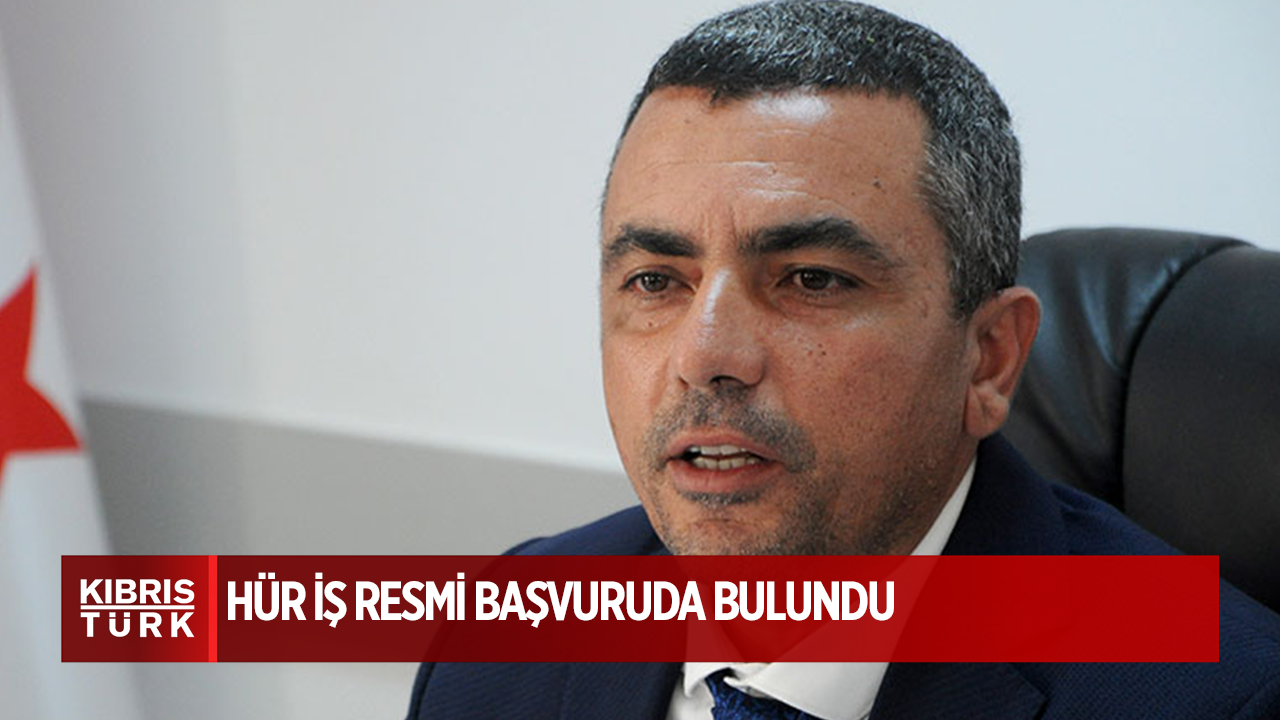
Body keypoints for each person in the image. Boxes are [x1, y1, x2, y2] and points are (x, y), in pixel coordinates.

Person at [407, 2, 1280, 718]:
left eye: (811, 280)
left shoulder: (1221, 698)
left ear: (989, 359)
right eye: (656, 281)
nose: (705, 356)